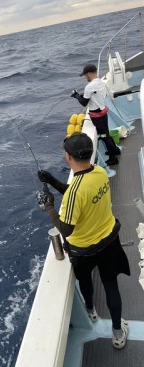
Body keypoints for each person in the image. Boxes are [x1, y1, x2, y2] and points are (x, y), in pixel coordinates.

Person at [37, 132, 130, 349]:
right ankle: (118, 333)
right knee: (110, 285)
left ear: (68, 157)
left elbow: (66, 230)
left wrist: (48, 206)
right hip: (109, 242)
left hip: (84, 252)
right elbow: (79, 191)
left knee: (86, 280)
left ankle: (91, 311)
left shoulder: (73, 195)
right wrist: (51, 180)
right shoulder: (98, 172)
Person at [71, 64, 121, 166]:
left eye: (85, 75)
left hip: (97, 116)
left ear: (89, 74)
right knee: (106, 134)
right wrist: (80, 96)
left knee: (104, 136)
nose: (85, 78)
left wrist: (76, 95)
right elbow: (90, 97)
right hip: (102, 112)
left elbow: (84, 102)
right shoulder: (100, 83)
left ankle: (113, 158)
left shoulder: (89, 86)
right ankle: (115, 150)